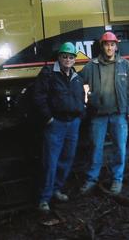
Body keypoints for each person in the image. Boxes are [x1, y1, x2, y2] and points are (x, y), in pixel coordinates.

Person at [79, 31, 129, 195]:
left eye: (112, 44)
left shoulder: (125, 65)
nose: (109, 47)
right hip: (98, 115)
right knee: (95, 148)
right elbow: (76, 83)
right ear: (102, 46)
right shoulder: (92, 66)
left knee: (119, 148)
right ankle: (92, 179)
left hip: (118, 114)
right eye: (106, 44)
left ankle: (116, 180)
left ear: (116, 46)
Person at [33, 42, 86, 212]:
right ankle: (44, 199)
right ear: (59, 57)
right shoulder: (49, 73)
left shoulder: (76, 77)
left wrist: (80, 114)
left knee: (67, 159)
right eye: (65, 56)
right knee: (50, 162)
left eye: (71, 57)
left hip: (73, 124)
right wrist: (48, 118)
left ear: (74, 59)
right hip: (56, 124)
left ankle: (57, 189)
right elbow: (38, 96)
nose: (68, 59)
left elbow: (81, 96)